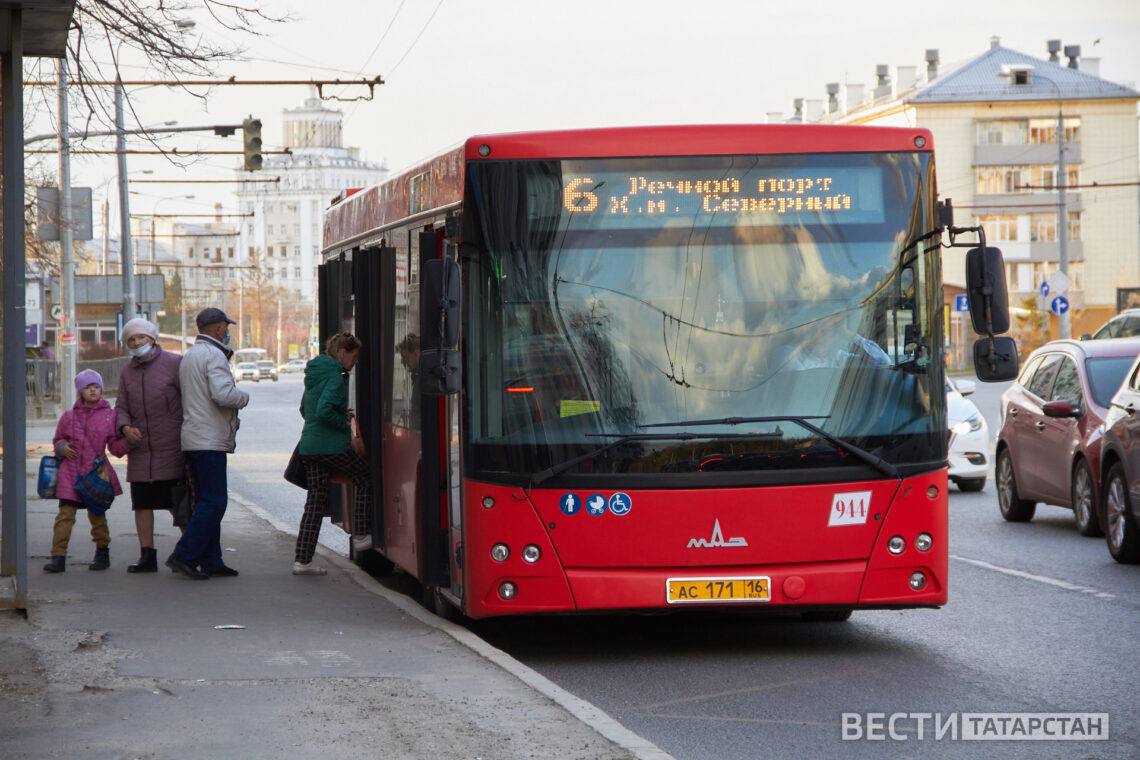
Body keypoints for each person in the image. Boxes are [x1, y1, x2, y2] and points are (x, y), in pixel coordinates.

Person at [166, 308, 249, 580]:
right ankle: (184, 555)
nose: (228, 332)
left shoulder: (191, 356)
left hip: (193, 437)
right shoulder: (214, 356)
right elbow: (223, 394)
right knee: (214, 502)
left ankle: (212, 560)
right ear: (217, 329)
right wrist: (244, 397)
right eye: (226, 327)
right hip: (208, 439)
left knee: (205, 501)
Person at [292, 332, 373, 575]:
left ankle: (302, 560)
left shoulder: (315, 374)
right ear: (342, 353)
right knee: (364, 476)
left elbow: (304, 409)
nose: (354, 362)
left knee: (315, 504)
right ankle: (360, 534)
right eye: (354, 356)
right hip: (330, 447)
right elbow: (324, 411)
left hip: (309, 447)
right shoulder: (337, 376)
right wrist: (345, 419)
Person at [115, 317, 185, 573]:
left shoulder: (174, 363)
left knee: (178, 504)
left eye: (140, 337)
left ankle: (188, 552)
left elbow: (189, 400)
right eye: (131, 340)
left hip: (171, 446)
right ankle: (147, 555)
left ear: (152, 338)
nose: (136, 343)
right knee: (142, 503)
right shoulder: (127, 372)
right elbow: (121, 406)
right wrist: (124, 428)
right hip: (141, 449)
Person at [43, 370, 128, 573]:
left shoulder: (110, 416)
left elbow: (115, 447)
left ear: (101, 389)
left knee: (97, 516)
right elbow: (58, 440)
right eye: (88, 387)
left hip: (95, 474)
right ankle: (58, 556)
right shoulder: (68, 417)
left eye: (96, 386)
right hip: (70, 474)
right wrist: (62, 447)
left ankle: (102, 552)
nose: (92, 390)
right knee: (65, 516)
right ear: (80, 391)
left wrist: (129, 442)